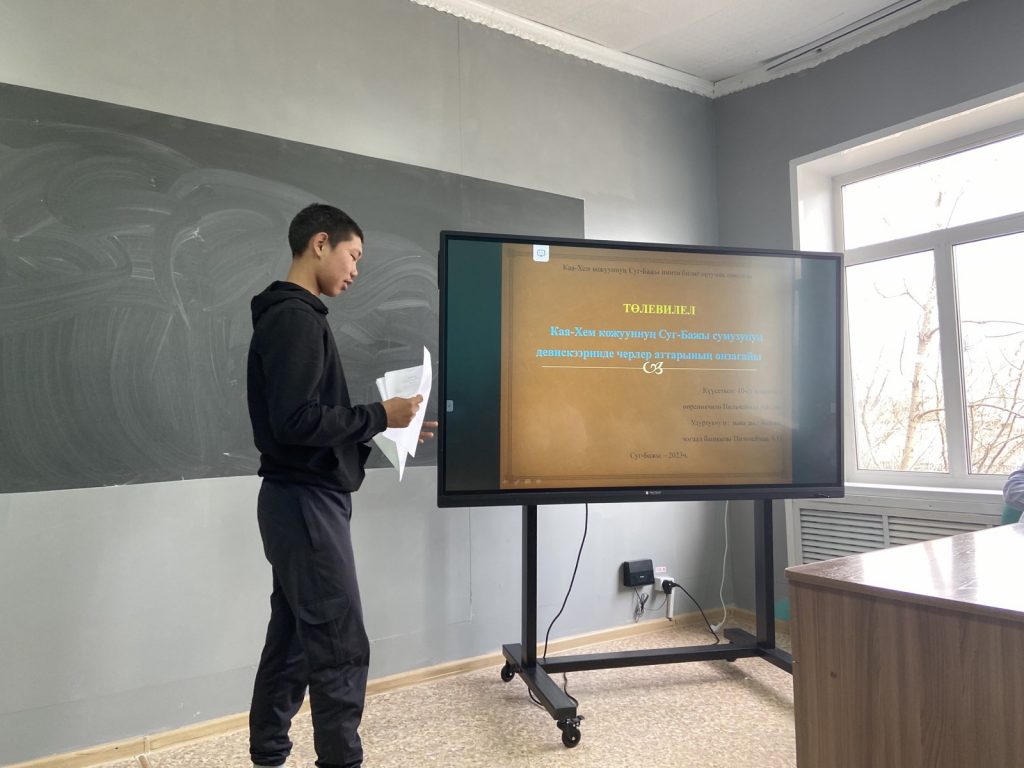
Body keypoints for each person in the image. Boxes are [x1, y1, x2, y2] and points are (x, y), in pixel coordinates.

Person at [246, 203, 437, 768]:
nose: (355, 270)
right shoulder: (295, 319)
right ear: (320, 243)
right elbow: (297, 421)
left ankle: (268, 755)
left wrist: (387, 424)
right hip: (305, 504)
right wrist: (378, 415)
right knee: (338, 646)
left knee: (294, 639)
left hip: (298, 500)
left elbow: (302, 420)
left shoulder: (294, 316)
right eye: (353, 256)